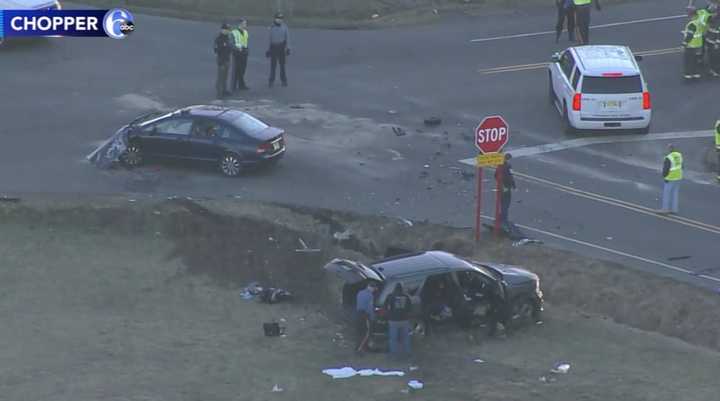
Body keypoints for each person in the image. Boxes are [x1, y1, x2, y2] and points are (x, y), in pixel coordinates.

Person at [384, 283, 412, 356]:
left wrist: (388, 315)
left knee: (393, 339)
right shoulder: (406, 297)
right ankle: (407, 353)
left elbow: (385, 307)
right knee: (406, 338)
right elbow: (410, 309)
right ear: (402, 289)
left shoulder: (390, 296)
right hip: (404, 320)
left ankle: (394, 354)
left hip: (393, 321)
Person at [266, 12, 290, 87]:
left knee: (282, 65)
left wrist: (288, 48)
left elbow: (287, 38)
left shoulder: (285, 27)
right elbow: (269, 39)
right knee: (273, 66)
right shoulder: (271, 27)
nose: (280, 20)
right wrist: (268, 49)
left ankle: (284, 80)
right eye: (278, 18)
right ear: (275, 19)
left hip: (281, 47)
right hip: (273, 47)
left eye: (281, 18)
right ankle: (271, 81)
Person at [659, 144, 683, 214]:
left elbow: (666, 169)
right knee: (675, 194)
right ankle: (674, 209)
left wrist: (664, 177)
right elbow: (682, 165)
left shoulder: (668, 158)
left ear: (669, 149)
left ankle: (665, 209)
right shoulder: (679, 155)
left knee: (667, 194)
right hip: (678, 176)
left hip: (670, 178)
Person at [494, 153, 517, 229]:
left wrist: (500, 184)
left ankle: (500, 217)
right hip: (506, 187)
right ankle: (503, 219)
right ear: (508, 159)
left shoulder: (499, 165)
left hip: (501, 187)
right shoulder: (508, 166)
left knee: (502, 202)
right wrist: (514, 186)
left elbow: (496, 175)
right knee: (506, 203)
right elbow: (511, 177)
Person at [683, 7, 705, 79]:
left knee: (689, 60)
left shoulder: (692, 24)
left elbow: (690, 35)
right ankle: (696, 73)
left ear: (691, 15)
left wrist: (684, 43)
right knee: (696, 59)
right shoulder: (699, 20)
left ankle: (688, 74)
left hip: (691, 45)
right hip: (699, 44)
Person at [355, 281, 377, 353]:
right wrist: (372, 317)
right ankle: (359, 350)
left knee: (359, 332)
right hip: (365, 315)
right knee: (366, 333)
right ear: (371, 287)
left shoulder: (360, 293)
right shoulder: (370, 295)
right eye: (374, 289)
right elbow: (370, 308)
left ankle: (363, 347)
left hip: (358, 314)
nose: (374, 290)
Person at [213, 23, 233, 98]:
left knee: (225, 77)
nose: (228, 31)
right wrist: (223, 46)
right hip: (221, 60)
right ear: (222, 30)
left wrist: (229, 48)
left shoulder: (227, 38)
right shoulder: (219, 39)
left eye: (228, 30)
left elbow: (230, 47)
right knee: (220, 77)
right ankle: (219, 93)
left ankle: (224, 90)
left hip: (227, 59)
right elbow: (216, 50)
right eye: (226, 30)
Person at [230, 19, 250, 91]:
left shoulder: (246, 32)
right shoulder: (234, 32)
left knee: (242, 69)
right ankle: (233, 86)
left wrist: (247, 50)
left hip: (244, 53)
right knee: (236, 70)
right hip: (237, 53)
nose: (245, 25)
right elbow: (231, 43)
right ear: (240, 24)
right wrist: (236, 48)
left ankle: (241, 85)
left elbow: (246, 42)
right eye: (244, 23)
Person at [706, 4, 720, 76]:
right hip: (709, 41)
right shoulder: (710, 19)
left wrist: (717, 44)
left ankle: (716, 70)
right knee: (711, 56)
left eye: (713, 13)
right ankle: (712, 69)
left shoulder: (717, 22)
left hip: (714, 43)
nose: (712, 14)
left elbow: (718, 34)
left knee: (716, 57)